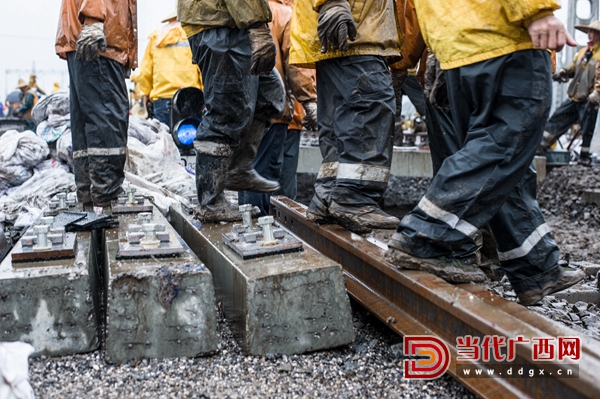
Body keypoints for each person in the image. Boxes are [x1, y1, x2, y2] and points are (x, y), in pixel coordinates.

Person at [385, 0, 585, 306]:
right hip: (502, 34)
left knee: (498, 160)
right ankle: (424, 233)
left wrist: (438, 50)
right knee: (505, 144)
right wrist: (537, 10)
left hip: (458, 42)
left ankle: (534, 267)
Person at [289, 0, 404, 233]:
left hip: (344, 25)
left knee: (339, 119)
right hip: (356, 27)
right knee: (371, 107)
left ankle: (328, 194)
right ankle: (355, 197)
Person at [178, 0, 286, 222]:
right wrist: (257, 24)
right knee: (224, 113)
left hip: (230, 21)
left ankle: (239, 167)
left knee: (269, 94)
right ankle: (210, 202)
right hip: (221, 23)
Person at [238, 0, 317, 216]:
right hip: (274, 110)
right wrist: (310, 99)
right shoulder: (285, 14)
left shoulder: (238, 10)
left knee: (244, 173)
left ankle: (245, 226)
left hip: (243, 110)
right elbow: (295, 62)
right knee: (267, 175)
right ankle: (262, 231)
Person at [56, 0, 137, 209]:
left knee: (85, 120)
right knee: (108, 117)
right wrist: (94, 19)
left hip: (88, 38)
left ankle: (90, 194)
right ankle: (106, 195)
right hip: (101, 40)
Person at [539, 21, 600, 166]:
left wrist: (597, 92)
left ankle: (584, 157)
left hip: (589, 99)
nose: (589, 35)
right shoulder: (582, 52)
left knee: (587, 129)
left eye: (593, 32)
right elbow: (574, 68)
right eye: (588, 32)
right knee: (557, 120)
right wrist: (564, 72)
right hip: (575, 97)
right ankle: (541, 146)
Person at [136, 11, 203, 127]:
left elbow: (145, 71)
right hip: (190, 97)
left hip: (162, 99)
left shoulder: (157, 37)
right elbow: (202, 68)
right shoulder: (193, 35)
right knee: (189, 139)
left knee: (164, 139)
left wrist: (145, 94)